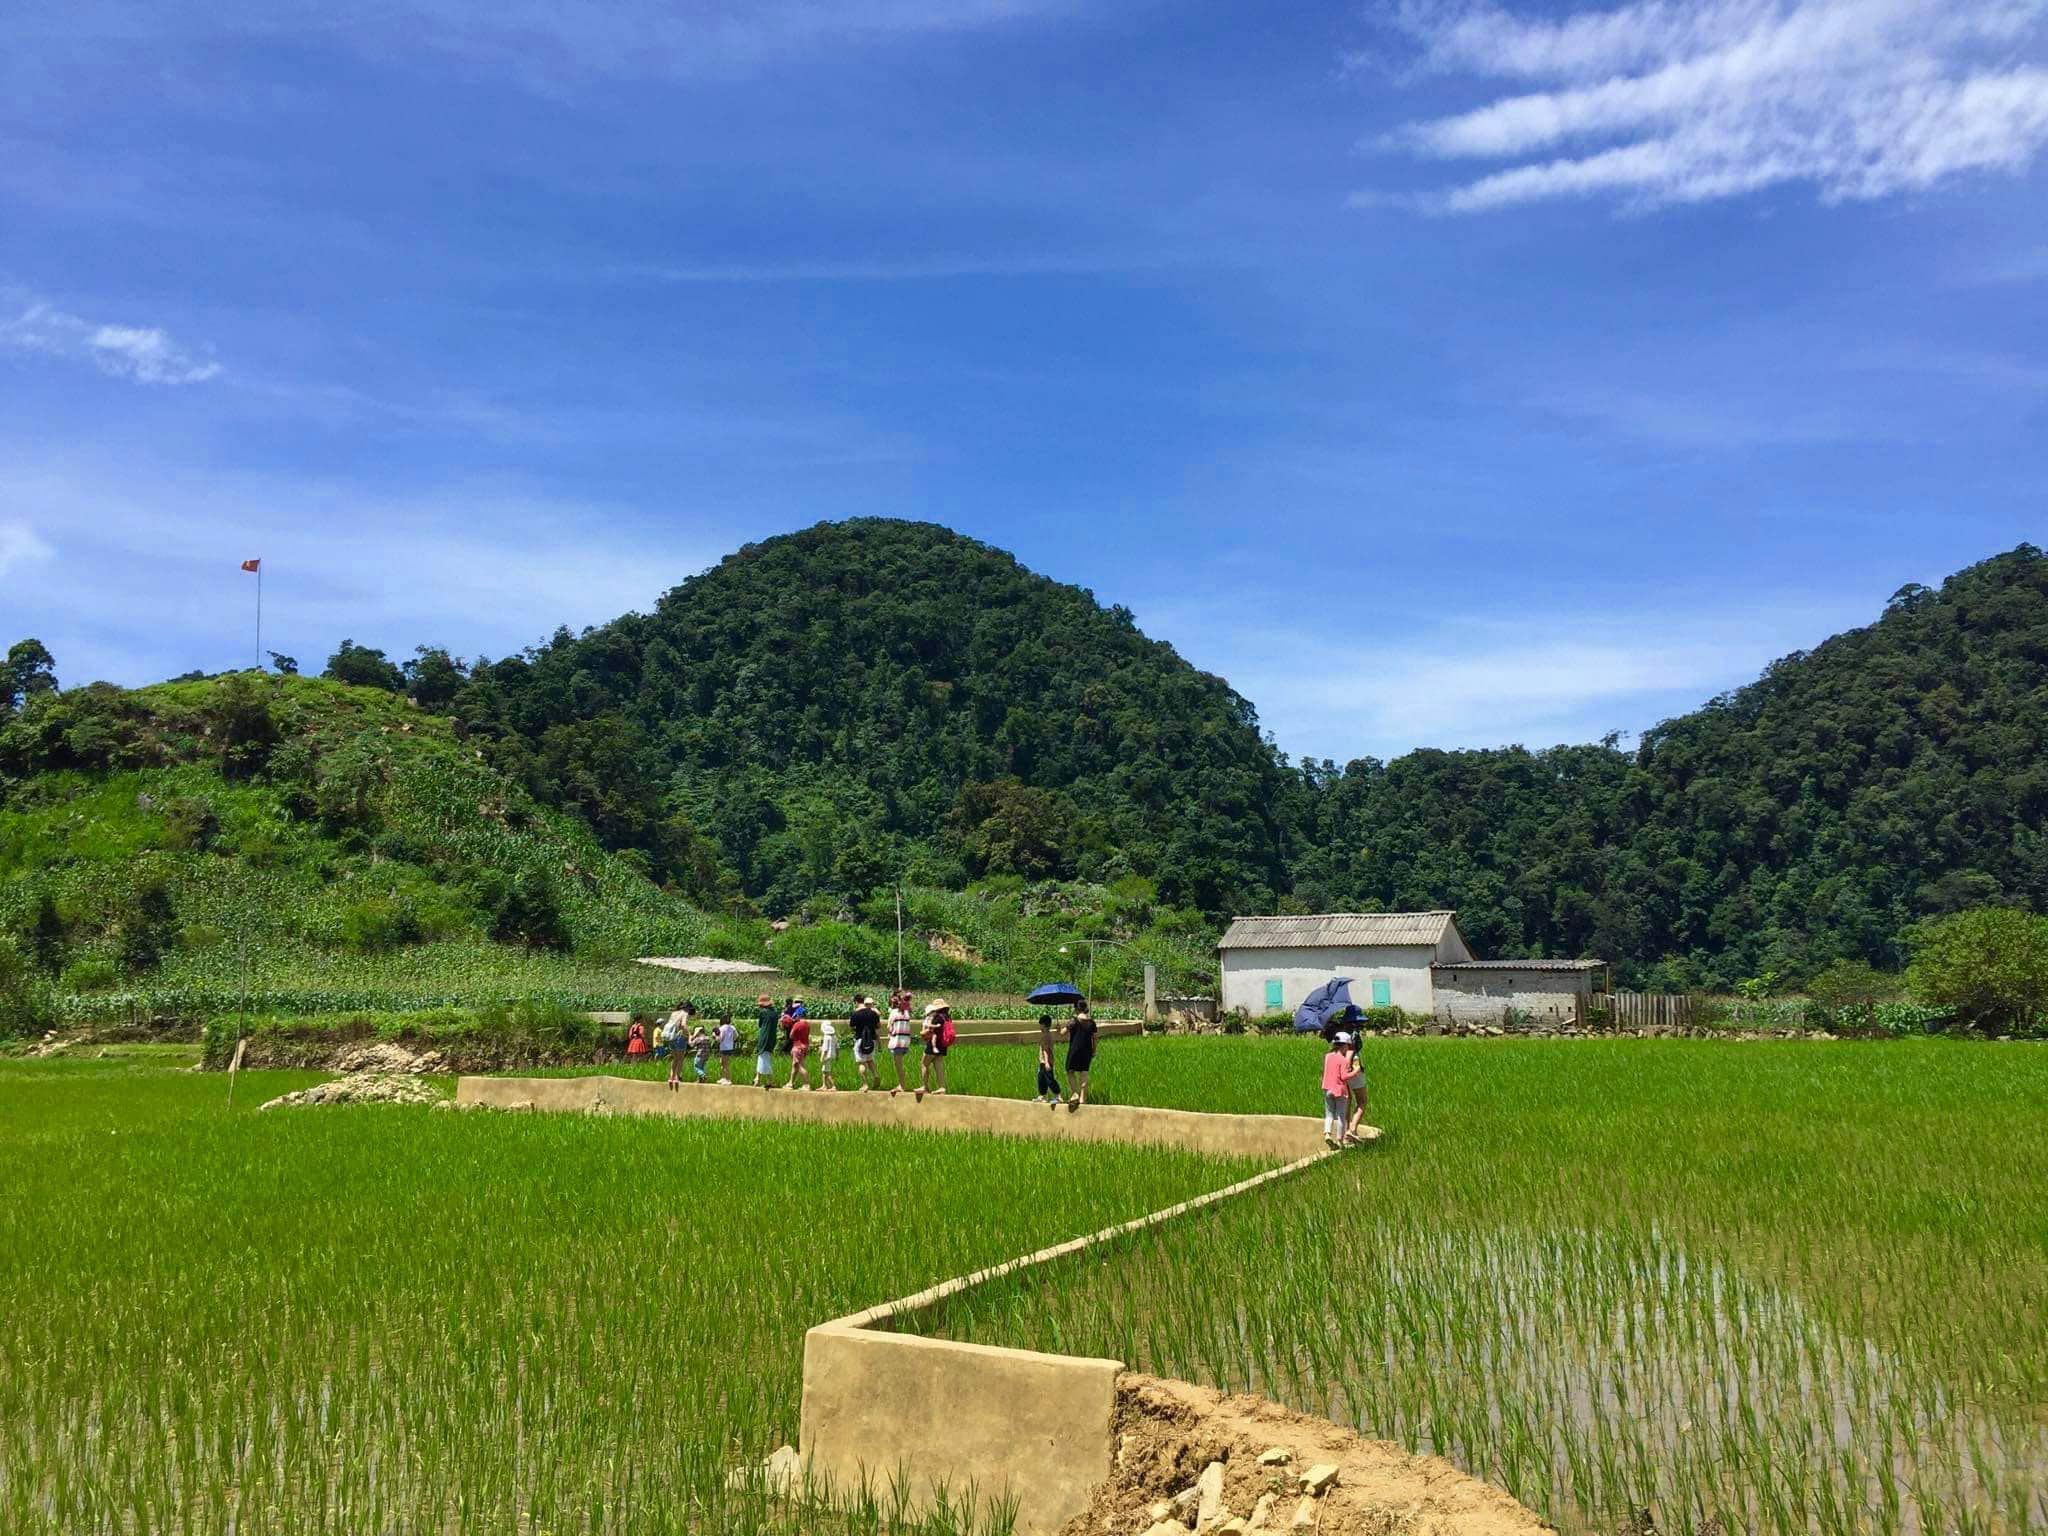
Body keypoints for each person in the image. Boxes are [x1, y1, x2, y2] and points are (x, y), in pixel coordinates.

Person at [1321, 1031, 1360, 1149]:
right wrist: (1355, 1071)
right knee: (1341, 1116)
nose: (1348, 1049)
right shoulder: (1343, 1060)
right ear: (1344, 1046)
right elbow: (1343, 1077)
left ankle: (1327, 1134)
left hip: (1327, 1089)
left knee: (1329, 1114)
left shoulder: (1328, 1057)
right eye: (1348, 1046)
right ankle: (1340, 1140)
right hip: (1340, 1090)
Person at [1064, 1005, 1099, 1111]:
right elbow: (1095, 1038)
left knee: (1070, 1071)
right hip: (1087, 1051)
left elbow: (1062, 1032)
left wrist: (1058, 1028)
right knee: (1084, 1073)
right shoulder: (1091, 1022)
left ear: (1077, 1009)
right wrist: (1094, 1050)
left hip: (1075, 1050)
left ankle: (1075, 1093)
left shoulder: (1073, 1021)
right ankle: (1083, 1099)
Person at [916, 998, 951, 1101]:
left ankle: (924, 1086)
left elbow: (929, 1031)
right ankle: (941, 1087)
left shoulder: (937, 1017)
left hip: (934, 1044)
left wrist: (923, 1033)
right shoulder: (947, 1017)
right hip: (943, 1044)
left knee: (924, 1063)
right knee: (938, 1065)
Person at [848, 995, 882, 1091]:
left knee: (861, 1062)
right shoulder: (873, 1013)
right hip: (872, 1040)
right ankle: (876, 1075)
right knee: (870, 1060)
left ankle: (865, 1084)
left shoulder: (855, 1014)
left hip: (860, 1040)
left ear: (856, 1002)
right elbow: (878, 1026)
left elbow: (851, 1028)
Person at [1342, 1032, 1370, 1146]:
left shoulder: (1338, 1048)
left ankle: (1345, 1134)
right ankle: (1352, 1129)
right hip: (1354, 1069)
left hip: (1342, 1071)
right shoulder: (1353, 1036)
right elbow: (1356, 1063)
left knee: (1346, 1102)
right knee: (1362, 1101)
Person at [887, 990, 916, 1096]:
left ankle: (902, 1085)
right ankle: (902, 1084)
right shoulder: (907, 1013)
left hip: (896, 1042)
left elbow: (889, 1028)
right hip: (906, 1041)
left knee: (898, 1065)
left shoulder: (893, 1013)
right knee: (900, 1064)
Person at [664, 1000, 692, 1092]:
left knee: (675, 1058)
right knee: (680, 1059)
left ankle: (671, 1077)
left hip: (671, 1038)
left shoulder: (674, 1013)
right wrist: (689, 1034)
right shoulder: (685, 1013)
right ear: (687, 1008)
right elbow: (683, 1025)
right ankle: (677, 1077)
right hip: (679, 1037)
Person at [1035, 1014, 1062, 1105]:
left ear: (1043, 1025)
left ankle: (1058, 1096)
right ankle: (1042, 1096)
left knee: (1049, 1079)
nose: (1039, 1026)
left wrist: (1046, 1062)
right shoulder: (1047, 1034)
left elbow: (1046, 1050)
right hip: (1043, 1062)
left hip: (1046, 1061)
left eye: (1040, 1024)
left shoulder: (1046, 1036)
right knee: (1041, 1079)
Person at [755, 994, 779, 1089]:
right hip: (772, 1038)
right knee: (765, 1056)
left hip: (764, 1037)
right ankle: (758, 1078)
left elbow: (760, 1025)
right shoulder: (775, 1013)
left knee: (763, 1057)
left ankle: (766, 1080)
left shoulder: (762, 1013)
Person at [788, 1007, 812, 1089]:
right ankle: (790, 1083)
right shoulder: (807, 1025)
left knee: (799, 1066)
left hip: (797, 1047)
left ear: (798, 1015)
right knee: (795, 1065)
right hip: (805, 1046)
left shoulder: (797, 1024)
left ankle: (806, 1084)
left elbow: (791, 1035)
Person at [817, 1013, 839, 1090]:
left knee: (827, 1072)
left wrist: (822, 1057)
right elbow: (837, 1048)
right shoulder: (834, 1037)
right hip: (832, 1055)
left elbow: (825, 1049)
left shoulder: (826, 1037)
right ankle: (824, 1085)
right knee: (824, 1070)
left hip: (827, 1056)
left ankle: (833, 1086)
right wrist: (837, 1056)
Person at [688, 1016, 712, 1083]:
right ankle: (700, 1080)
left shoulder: (698, 1039)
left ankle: (703, 1076)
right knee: (702, 1067)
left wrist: (689, 1038)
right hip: (706, 1055)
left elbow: (691, 1044)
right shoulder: (707, 1038)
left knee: (697, 1067)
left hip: (700, 1055)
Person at [715, 1013, 737, 1084]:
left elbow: (720, 1039)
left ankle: (728, 1079)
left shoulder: (722, 1028)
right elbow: (736, 1036)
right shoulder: (732, 1027)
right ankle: (723, 1077)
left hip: (724, 1047)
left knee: (725, 1064)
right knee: (722, 1062)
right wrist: (731, 1040)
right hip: (730, 1047)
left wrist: (715, 1036)